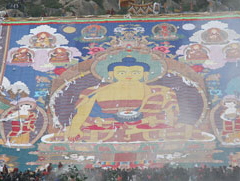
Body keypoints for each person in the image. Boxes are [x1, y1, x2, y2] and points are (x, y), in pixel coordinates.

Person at [64, 57, 207, 142]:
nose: (128, 75)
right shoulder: (94, 91)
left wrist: (155, 120)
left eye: (135, 72)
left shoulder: (161, 91)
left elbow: (171, 114)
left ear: (145, 74)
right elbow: (82, 114)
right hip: (107, 127)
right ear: (111, 74)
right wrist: (75, 127)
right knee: (74, 131)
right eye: (121, 72)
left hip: (147, 128)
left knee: (185, 130)